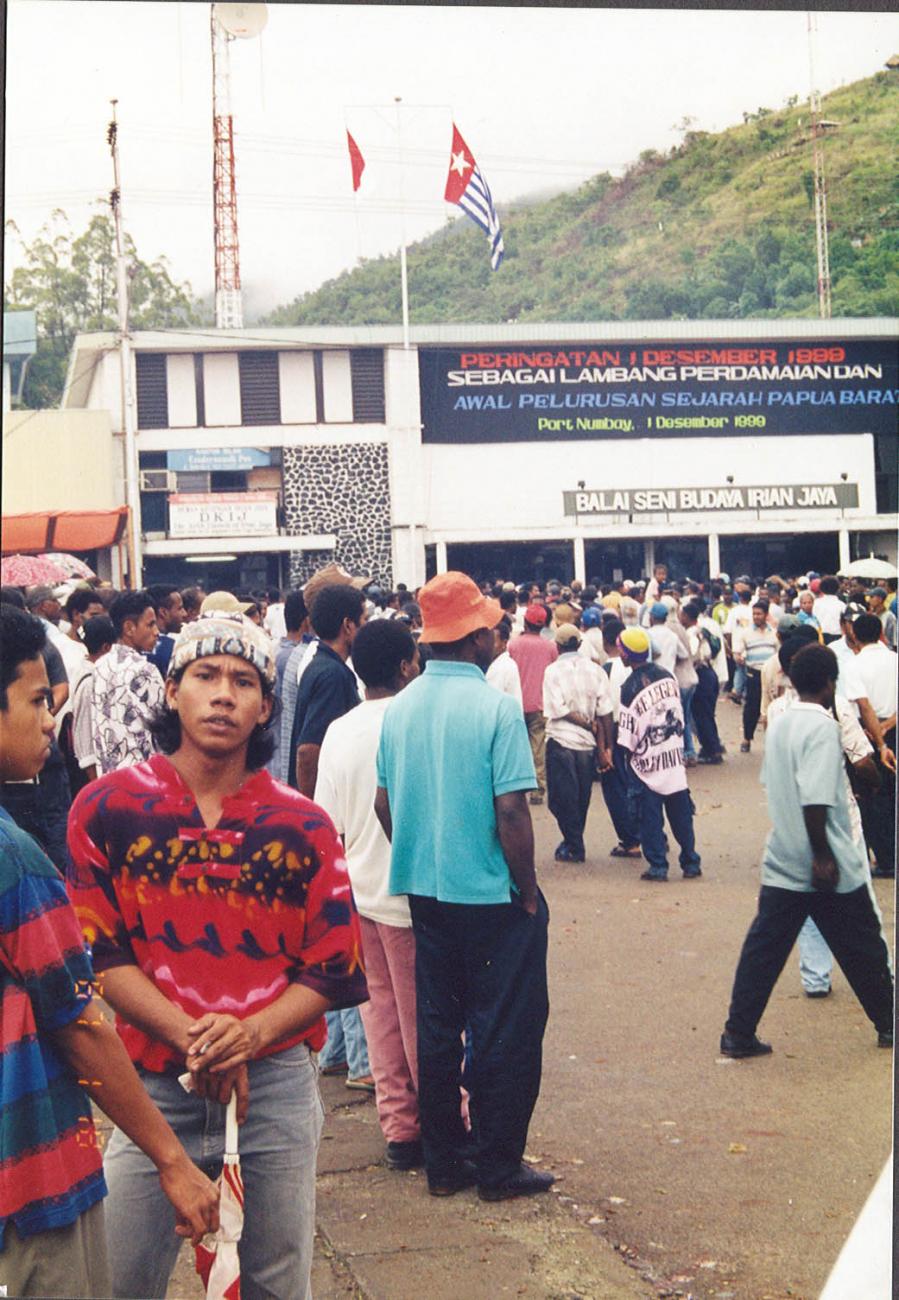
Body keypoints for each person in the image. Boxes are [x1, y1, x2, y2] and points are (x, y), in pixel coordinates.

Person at [66, 608, 368, 1299]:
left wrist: (249, 1036)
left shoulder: (303, 825)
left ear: (266, 706)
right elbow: (99, 955)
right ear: (172, 691)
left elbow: (333, 965)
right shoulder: (106, 809)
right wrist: (199, 1042)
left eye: (243, 680)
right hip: (149, 1093)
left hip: (274, 1090)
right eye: (205, 675)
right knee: (114, 1277)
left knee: (273, 1280)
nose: (223, 693)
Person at [0, 605, 219, 1299]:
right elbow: (80, 1023)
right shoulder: (17, 862)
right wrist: (172, 1159)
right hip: (31, 1189)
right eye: (36, 701)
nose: (48, 722)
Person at [375, 572, 553, 1202]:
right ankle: (500, 1165)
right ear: (473, 638)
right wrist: (526, 890)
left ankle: (445, 1163)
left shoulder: (400, 708)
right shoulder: (496, 709)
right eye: (489, 628)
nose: (496, 636)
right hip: (492, 896)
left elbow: (383, 803)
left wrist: (421, 855)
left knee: (439, 1026)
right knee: (505, 1027)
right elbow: (512, 812)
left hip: (426, 893)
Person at [720, 643, 894, 1058]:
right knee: (864, 947)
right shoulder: (822, 727)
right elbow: (815, 799)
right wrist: (822, 855)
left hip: (783, 856)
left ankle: (738, 1031)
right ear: (831, 683)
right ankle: (888, 1022)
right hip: (825, 859)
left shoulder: (780, 721)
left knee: (763, 951)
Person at [315, 619, 424, 1169]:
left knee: (380, 1014)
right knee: (421, 1017)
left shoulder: (341, 730)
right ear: (406, 665)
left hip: (360, 891)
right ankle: (445, 1121)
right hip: (409, 896)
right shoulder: (415, 722)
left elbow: (328, 822)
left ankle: (400, 1128)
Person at [617, 627, 701, 883]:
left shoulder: (630, 687)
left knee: (649, 818)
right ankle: (690, 861)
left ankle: (658, 866)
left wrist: (625, 756)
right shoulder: (667, 676)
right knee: (681, 814)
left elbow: (628, 733)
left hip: (648, 765)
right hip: (673, 760)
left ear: (625, 656)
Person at [542, 623, 613, 863]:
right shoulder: (596, 671)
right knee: (581, 797)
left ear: (558, 646)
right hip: (586, 744)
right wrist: (604, 747)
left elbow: (558, 708)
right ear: (580, 645)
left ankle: (574, 844)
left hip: (562, 740)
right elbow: (605, 713)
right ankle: (573, 840)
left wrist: (584, 724)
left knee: (560, 798)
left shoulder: (552, 671)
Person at [288, 583, 364, 797]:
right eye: (364, 620)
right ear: (348, 625)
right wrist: (314, 813)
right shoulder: (332, 675)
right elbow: (308, 753)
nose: (365, 628)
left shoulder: (321, 665)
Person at [92, 589, 164, 774]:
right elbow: (164, 728)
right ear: (129, 628)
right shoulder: (145, 670)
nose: (157, 632)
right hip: (144, 779)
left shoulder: (99, 666)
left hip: (109, 778)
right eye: (151, 625)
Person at [852, 613, 897, 878]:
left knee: (874, 795)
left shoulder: (853, 665)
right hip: (890, 729)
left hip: (866, 734)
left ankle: (886, 858)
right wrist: (889, 726)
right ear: (881, 632)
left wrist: (877, 734)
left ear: (854, 635)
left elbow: (861, 705)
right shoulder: (895, 660)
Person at [597, 618, 641, 857]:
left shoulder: (606, 669)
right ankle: (653, 833)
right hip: (640, 731)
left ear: (607, 642)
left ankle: (630, 839)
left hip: (616, 732)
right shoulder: (638, 665)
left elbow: (603, 709)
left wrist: (604, 746)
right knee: (641, 783)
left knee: (616, 787)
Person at [508, 602, 558, 805]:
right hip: (540, 704)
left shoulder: (513, 645)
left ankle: (515, 789)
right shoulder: (551, 647)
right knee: (538, 748)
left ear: (526, 622)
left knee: (515, 748)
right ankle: (538, 789)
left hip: (516, 703)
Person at [67, 613, 114, 793]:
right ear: (106, 647)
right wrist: (97, 787)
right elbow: (85, 738)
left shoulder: (90, 670)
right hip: (91, 777)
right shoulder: (90, 682)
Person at [265, 588, 309, 780]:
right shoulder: (300, 658)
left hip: (270, 756)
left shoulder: (272, 651)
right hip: (286, 759)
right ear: (307, 620)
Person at [679, 602, 725, 763]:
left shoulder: (691, 634)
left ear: (686, 616)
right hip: (709, 673)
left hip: (701, 675)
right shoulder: (701, 631)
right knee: (707, 714)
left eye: (681, 614)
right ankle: (713, 746)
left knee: (701, 715)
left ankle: (712, 751)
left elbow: (691, 654)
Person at [733, 599, 778, 753]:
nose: (756, 616)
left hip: (772, 676)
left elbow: (779, 652)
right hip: (753, 674)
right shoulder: (746, 633)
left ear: (766, 615)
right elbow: (737, 652)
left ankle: (773, 741)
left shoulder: (774, 632)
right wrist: (738, 657)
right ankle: (746, 738)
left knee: (773, 708)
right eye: (754, 614)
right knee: (751, 707)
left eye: (759, 614)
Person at [145, 584, 186, 678]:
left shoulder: (135, 645)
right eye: (180, 608)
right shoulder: (174, 648)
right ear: (163, 612)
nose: (184, 613)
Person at [486, 614, 523, 707]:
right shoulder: (491, 663)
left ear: (504, 643)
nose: (489, 646)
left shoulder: (506, 666)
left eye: (493, 642)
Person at [812, 575, 845, 644]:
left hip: (819, 636)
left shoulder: (816, 603)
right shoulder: (842, 605)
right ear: (837, 588)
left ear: (821, 588)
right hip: (837, 637)